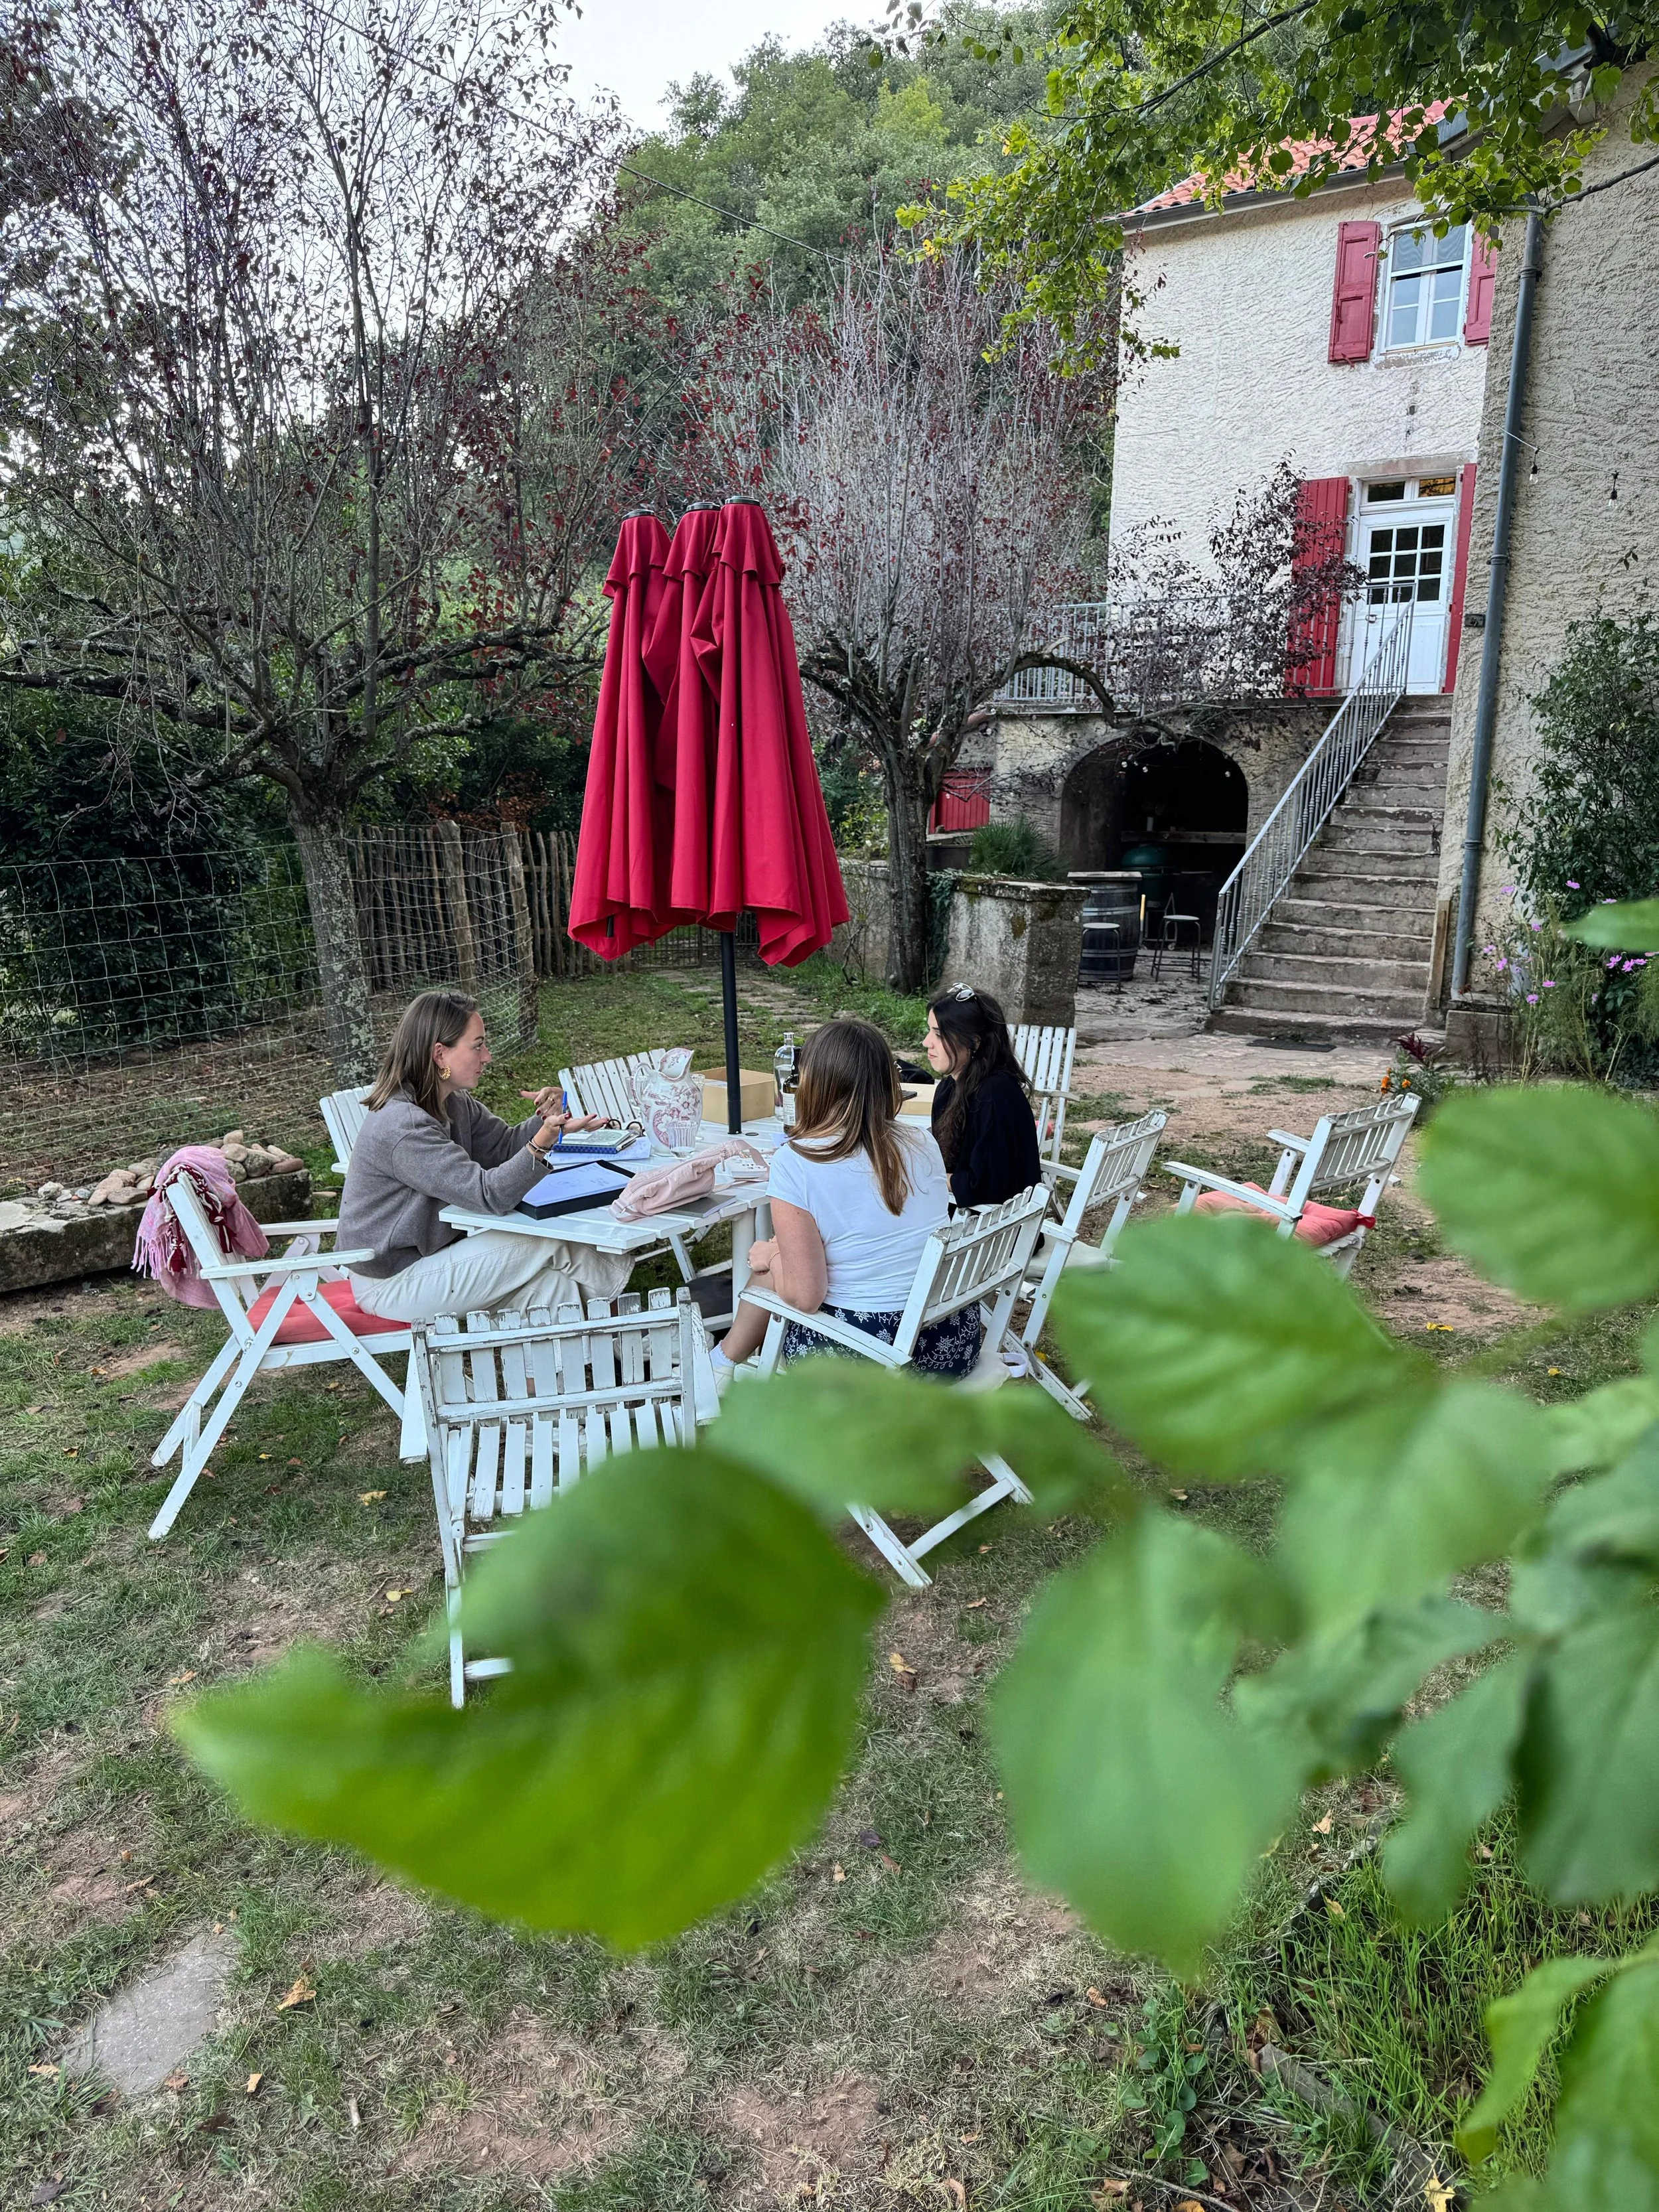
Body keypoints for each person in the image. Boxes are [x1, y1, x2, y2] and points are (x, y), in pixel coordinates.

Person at [711, 1017, 981, 1384]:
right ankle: (721, 1363)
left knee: (771, 1267)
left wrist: (772, 1257)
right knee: (785, 1261)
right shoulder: (921, 1141)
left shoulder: (797, 1162)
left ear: (812, 1084)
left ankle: (720, 1366)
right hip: (951, 1338)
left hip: (869, 1357)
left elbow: (806, 1297)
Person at [339, 990, 633, 1327]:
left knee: (553, 1286)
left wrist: (548, 1122)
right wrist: (540, 1145)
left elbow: (504, 1146)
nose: (487, 1056)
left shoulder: (452, 1102)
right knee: (548, 1238)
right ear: (440, 1055)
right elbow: (488, 1195)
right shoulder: (404, 1126)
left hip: (433, 1260)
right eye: (477, 1046)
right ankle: (632, 1314)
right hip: (392, 1281)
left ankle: (553, 1377)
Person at [923, 984, 1042, 1209]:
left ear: (974, 1042)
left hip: (994, 1233)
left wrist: (934, 1178)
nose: (926, 1042)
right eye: (930, 1031)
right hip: (967, 1219)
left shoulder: (995, 1096)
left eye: (939, 1034)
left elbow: (986, 1186)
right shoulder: (949, 1088)